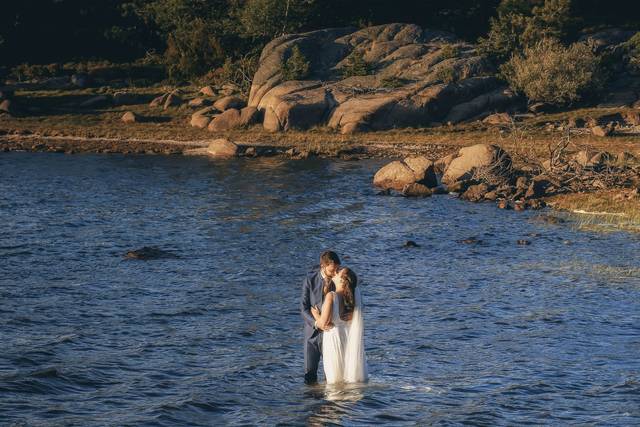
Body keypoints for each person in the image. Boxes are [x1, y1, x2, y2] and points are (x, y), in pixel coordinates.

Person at [311, 267, 368, 384]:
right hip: (349, 338)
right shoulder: (355, 299)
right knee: (346, 375)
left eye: (338, 273)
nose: (335, 273)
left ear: (342, 280)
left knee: (334, 378)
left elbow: (323, 323)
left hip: (334, 339)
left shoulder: (331, 296)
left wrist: (315, 314)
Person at [300, 251, 340, 384]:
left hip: (332, 334)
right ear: (323, 266)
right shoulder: (310, 280)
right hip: (312, 335)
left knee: (332, 375)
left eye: (337, 269)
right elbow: (304, 308)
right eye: (332, 270)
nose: (335, 273)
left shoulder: (340, 281)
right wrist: (317, 323)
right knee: (309, 375)